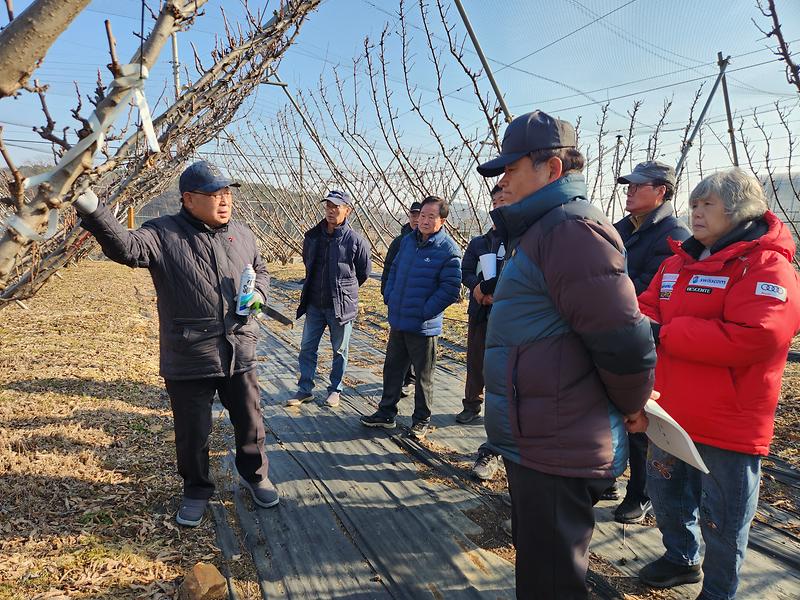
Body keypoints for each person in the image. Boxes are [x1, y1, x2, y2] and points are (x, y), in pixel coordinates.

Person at [476, 110, 657, 599]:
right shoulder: (545, 229)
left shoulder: (570, 233)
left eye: (511, 170)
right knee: (542, 570)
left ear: (552, 169)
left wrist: (630, 405)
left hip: (558, 441)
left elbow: (624, 342)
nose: (502, 181)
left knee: (552, 583)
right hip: (542, 433)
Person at [73, 160, 279, 527]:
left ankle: (256, 474)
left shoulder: (243, 234)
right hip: (190, 352)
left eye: (227, 193)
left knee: (250, 422)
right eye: (213, 194)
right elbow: (126, 247)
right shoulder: (163, 233)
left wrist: (258, 292)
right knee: (192, 431)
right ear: (188, 199)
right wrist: (94, 209)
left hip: (240, 347)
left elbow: (260, 269)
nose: (224, 200)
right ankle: (196, 489)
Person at [636, 168, 800, 599]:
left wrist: (667, 332)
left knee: (723, 517)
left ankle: (719, 590)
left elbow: (757, 335)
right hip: (669, 410)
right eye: (693, 204)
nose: (696, 213)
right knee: (666, 493)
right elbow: (645, 308)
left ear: (740, 209)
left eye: (707, 204)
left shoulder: (766, 266)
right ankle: (681, 558)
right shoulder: (677, 264)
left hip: (729, 420)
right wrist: (646, 324)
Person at [605, 161, 691, 523]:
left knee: (641, 417)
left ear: (661, 192)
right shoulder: (621, 227)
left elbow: (646, 288)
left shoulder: (674, 236)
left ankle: (640, 493)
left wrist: (601, 292)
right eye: (628, 184)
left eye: (638, 186)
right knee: (610, 407)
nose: (629, 190)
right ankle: (607, 474)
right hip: (611, 330)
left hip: (644, 338)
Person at [360, 195, 461, 440]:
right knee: (392, 369)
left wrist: (425, 312)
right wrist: (391, 296)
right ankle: (386, 413)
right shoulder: (408, 242)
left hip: (423, 326)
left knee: (423, 376)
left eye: (431, 217)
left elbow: (450, 289)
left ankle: (421, 420)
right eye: (422, 216)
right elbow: (394, 270)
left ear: (442, 221)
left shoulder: (447, 249)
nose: (424, 221)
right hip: (399, 319)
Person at [289, 190, 371, 408]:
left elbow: (363, 272)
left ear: (347, 210)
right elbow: (308, 264)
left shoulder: (355, 241)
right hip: (315, 303)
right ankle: (305, 389)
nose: (331, 211)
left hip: (340, 306)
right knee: (307, 347)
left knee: (339, 350)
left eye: (336, 207)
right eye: (328, 206)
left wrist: (344, 290)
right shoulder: (313, 236)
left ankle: (335, 389)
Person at [457, 185, 506, 425]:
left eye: (503, 201)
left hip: (507, 313)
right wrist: (479, 289)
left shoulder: (520, 241)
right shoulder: (479, 243)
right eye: (495, 202)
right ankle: (471, 404)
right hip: (480, 310)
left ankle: (498, 416)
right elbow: (465, 271)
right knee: (475, 359)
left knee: (501, 367)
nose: (499, 206)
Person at [381, 201, 422, 395]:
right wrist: (386, 294)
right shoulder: (400, 241)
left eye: (419, 215)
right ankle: (399, 381)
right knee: (397, 346)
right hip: (398, 301)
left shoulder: (429, 242)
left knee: (415, 344)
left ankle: (411, 379)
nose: (416, 219)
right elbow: (389, 267)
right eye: (413, 215)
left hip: (418, 303)